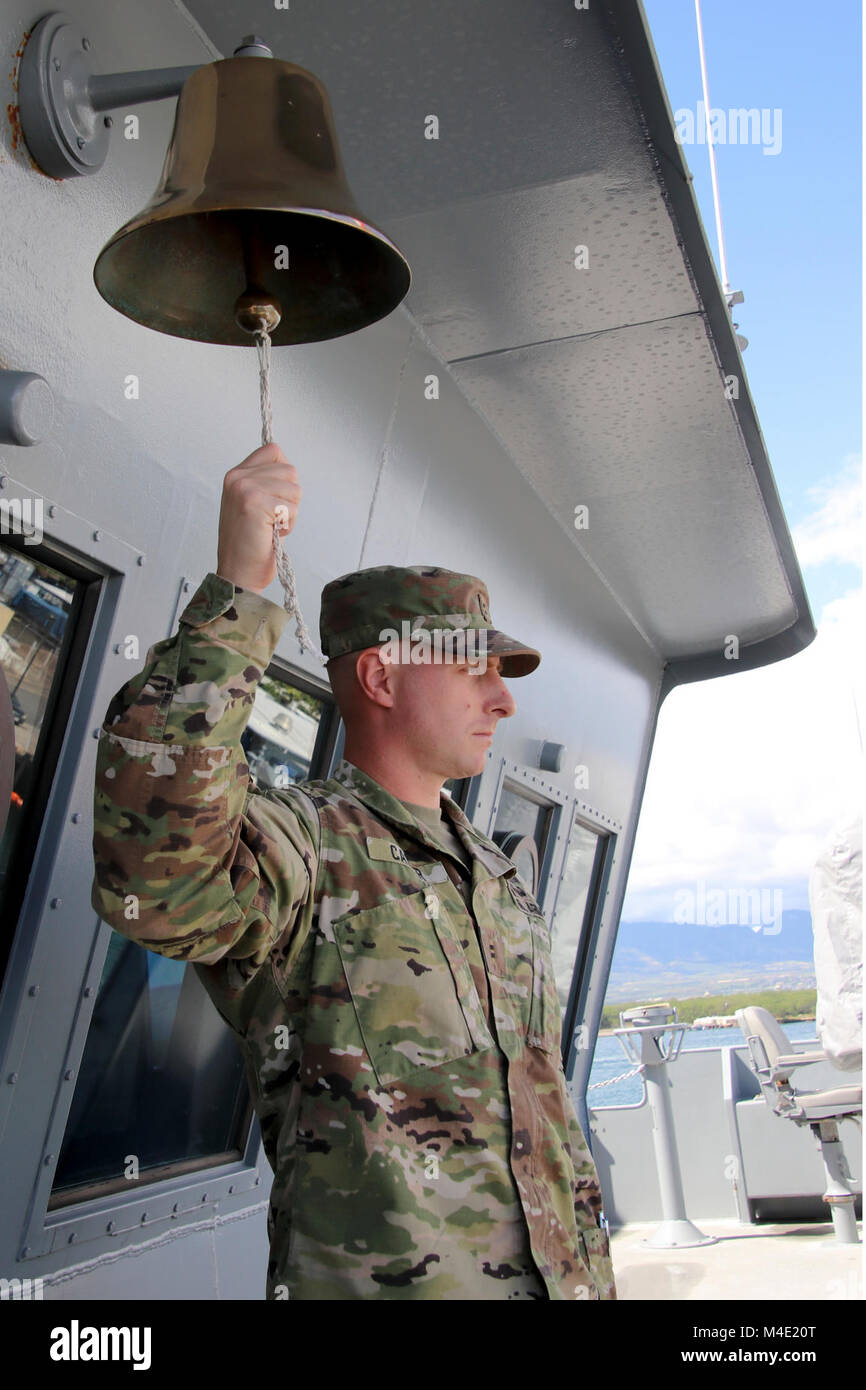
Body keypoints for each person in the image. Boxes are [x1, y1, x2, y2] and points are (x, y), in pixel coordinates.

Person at [91, 442, 617, 1301]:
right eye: (472, 667)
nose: (504, 698)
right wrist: (241, 591)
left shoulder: (495, 878)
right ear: (379, 675)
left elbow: (551, 1128)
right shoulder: (309, 847)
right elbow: (160, 882)